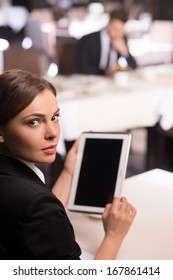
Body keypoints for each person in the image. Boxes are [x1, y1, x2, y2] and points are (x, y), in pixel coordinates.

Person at [0, 69, 136, 260]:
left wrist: (69, 171)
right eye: (33, 122)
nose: (53, 133)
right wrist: (114, 235)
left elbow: (34, 219)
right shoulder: (36, 205)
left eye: (54, 117)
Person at [76, 8, 137, 76]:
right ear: (109, 24)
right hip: (91, 80)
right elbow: (81, 68)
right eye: (116, 29)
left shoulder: (122, 39)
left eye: (121, 31)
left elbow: (134, 66)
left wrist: (125, 52)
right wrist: (105, 72)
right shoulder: (89, 39)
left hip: (112, 83)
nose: (118, 34)